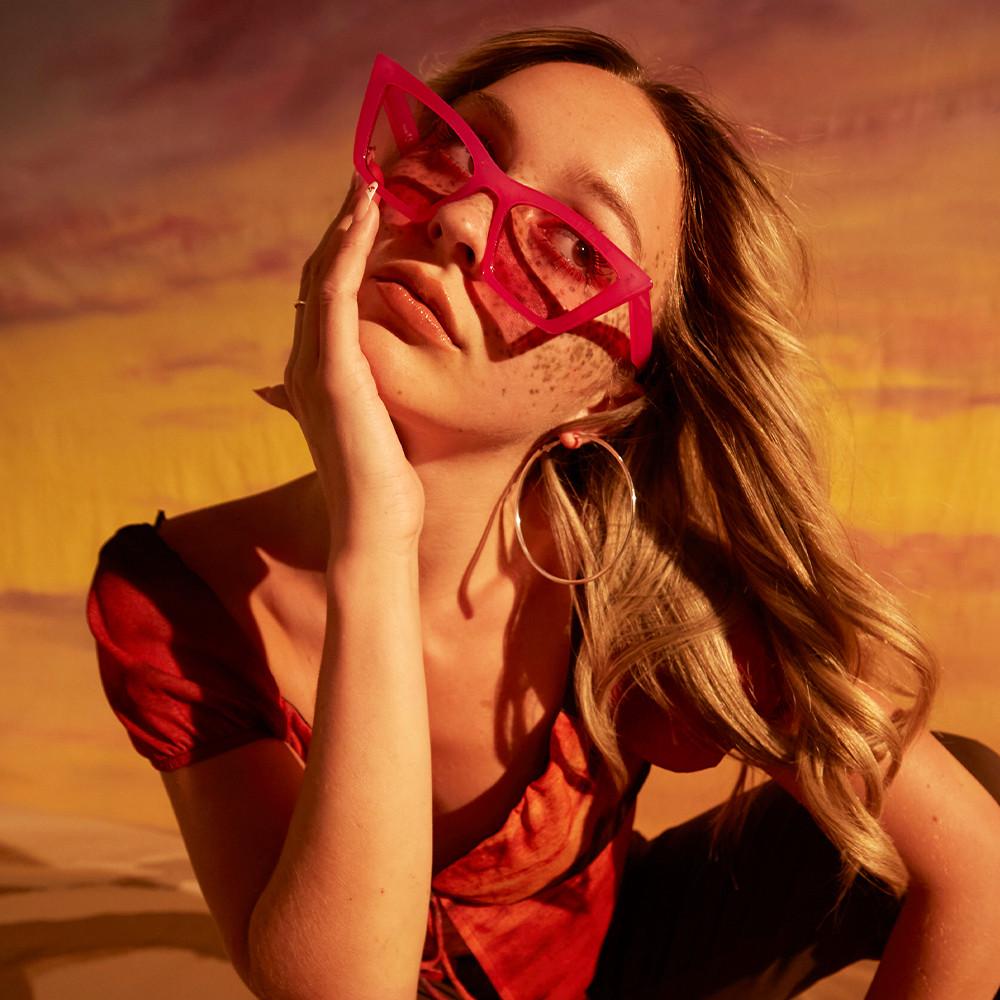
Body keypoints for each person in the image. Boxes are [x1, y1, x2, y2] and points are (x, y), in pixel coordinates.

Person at [86, 25, 1000, 1000]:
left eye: (571, 245)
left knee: (965, 781)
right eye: (449, 153)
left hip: (631, 970)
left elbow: (977, 872)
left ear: (605, 397)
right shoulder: (177, 599)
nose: (464, 223)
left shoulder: (637, 578)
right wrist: (376, 536)